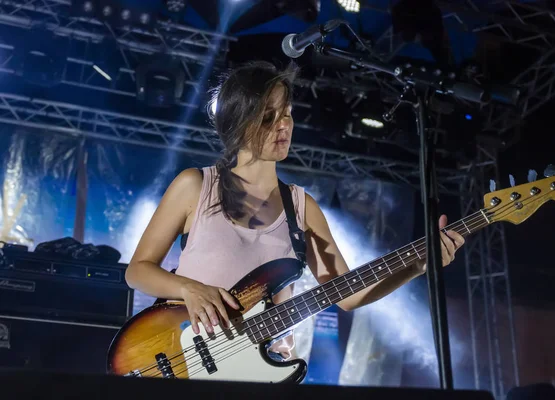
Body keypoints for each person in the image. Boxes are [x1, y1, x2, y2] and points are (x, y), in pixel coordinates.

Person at [124, 61, 465, 361]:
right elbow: (137, 271)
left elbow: (348, 295)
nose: (284, 125)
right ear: (239, 123)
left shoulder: (303, 207)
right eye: (269, 117)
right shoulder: (195, 185)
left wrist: (418, 265)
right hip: (191, 358)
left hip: (266, 369)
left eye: (287, 113)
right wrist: (188, 288)